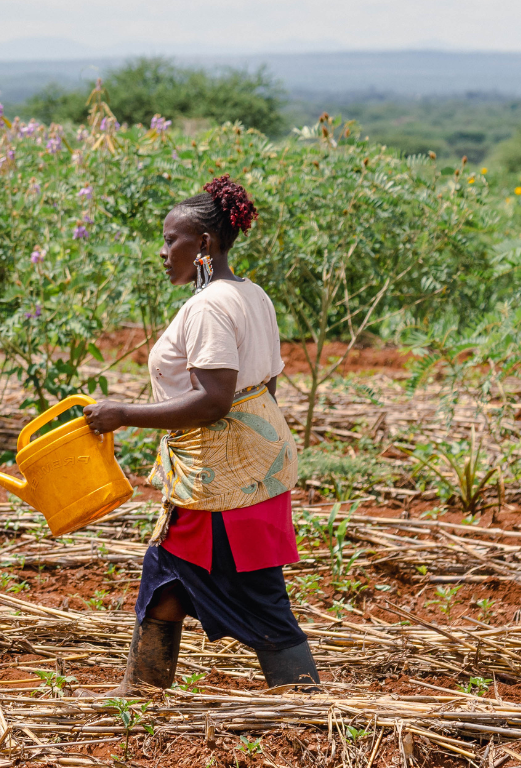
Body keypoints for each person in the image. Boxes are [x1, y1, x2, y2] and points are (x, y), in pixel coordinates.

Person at [82, 176, 319, 692]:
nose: (163, 251)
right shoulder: (252, 295)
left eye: (172, 240)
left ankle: (308, 709)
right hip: (241, 469)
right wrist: (253, 454)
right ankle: (139, 703)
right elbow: (266, 385)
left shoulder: (209, 306)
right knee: (164, 581)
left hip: (224, 483)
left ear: (204, 244)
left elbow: (214, 400)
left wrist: (123, 413)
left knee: (260, 596)